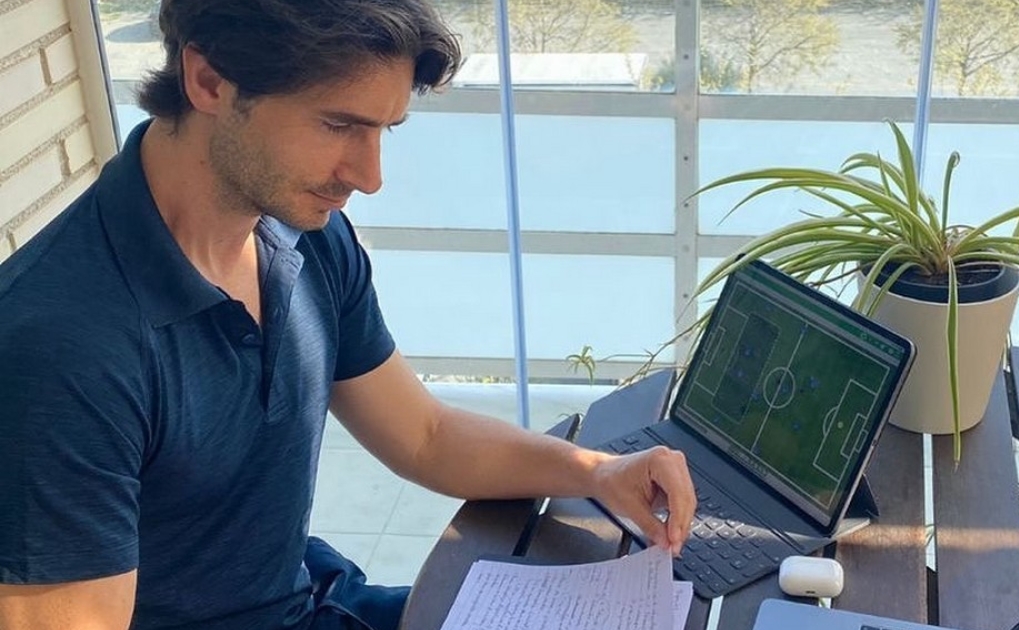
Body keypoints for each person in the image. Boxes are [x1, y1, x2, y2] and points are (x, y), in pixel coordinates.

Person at [0, 1, 696, 628]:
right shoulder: (60, 347)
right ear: (209, 81)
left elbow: (424, 435)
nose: (370, 176)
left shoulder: (305, 237)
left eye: (385, 130)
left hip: (313, 601)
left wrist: (596, 472)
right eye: (339, 125)